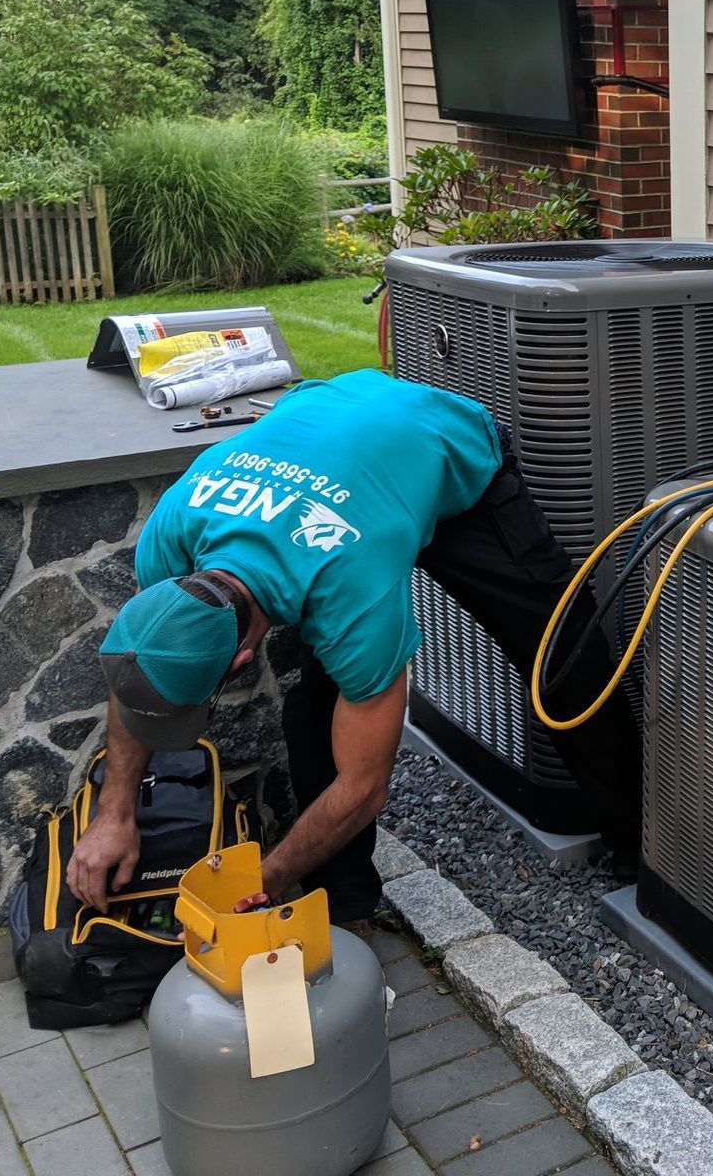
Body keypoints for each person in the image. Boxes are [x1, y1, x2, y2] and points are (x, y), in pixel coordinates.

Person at [66, 368, 638, 920]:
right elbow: (141, 670)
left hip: (439, 444)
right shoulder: (166, 548)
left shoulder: (352, 602)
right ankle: (343, 903)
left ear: (241, 662)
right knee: (318, 707)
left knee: (565, 657)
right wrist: (112, 814)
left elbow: (364, 787)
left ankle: (641, 849)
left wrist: (261, 881)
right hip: (335, 460)